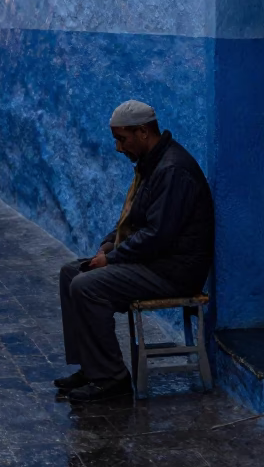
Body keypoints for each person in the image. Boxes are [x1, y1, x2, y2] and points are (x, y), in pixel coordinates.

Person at [57, 101, 214, 405]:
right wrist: (109, 243)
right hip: (154, 262)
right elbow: (134, 220)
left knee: (86, 286)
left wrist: (112, 258)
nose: (119, 148)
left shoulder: (172, 170)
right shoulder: (152, 164)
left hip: (172, 272)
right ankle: (92, 367)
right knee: (70, 273)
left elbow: (157, 236)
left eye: (122, 139)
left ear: (142, 132)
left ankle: (111, 378)